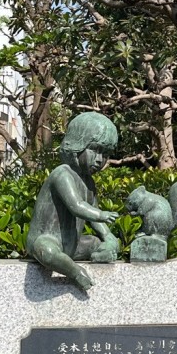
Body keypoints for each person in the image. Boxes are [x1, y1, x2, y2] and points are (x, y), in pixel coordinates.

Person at [26, 112, 120, 290]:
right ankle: (75, 272)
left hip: (72, 246)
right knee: (46, 251)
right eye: (95, 149)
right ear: (77, 144)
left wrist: (108, 237)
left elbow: (92, 215)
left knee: (95, 243)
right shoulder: (63, 173)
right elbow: (77, 206)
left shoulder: (88, 182)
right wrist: (102, 215)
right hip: (47, 241)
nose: (100, 159)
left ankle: (96, 256)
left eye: (105, 153)